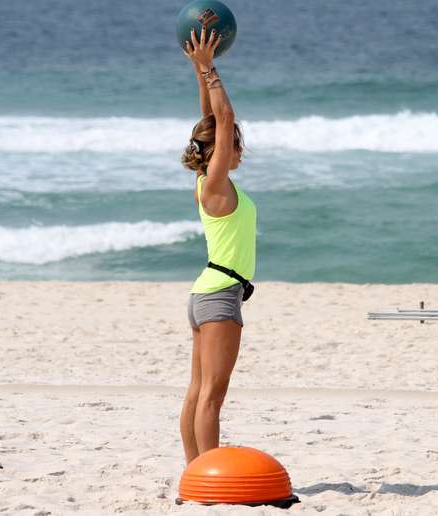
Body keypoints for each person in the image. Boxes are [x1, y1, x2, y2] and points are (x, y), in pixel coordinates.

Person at [179, 25, 256, 464]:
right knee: (211, 396)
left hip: (206, 292)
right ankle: (208, 476)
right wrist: (210, 71)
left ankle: (193, 474)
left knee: (197, 392)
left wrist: (200, 70)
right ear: (224, 153)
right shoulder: (216, 183)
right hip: (220, 296)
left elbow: (212, 121)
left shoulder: (204, 184)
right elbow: (223, 121)